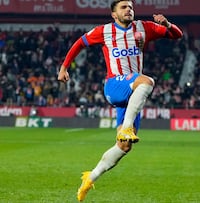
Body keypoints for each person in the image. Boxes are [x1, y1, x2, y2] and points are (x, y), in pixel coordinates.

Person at [57, 0, 183, 201]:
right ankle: (126, 127)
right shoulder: (104, 31)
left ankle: (90, 177)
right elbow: (80, 43)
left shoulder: (144, 27)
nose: (129, 10)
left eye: (131, 7)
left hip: (132, 94)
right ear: (114, 14)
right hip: (115, 85)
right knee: (148, 81)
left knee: (124, 146)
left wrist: (167, 24)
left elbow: (178, 35)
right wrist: (64, 67)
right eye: (124, 7)